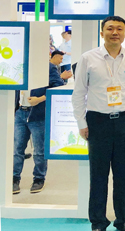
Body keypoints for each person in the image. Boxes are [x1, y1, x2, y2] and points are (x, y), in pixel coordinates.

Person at [72, 16, 125, 231]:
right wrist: (81, 122)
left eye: (119, 29)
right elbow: (78, 93)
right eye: (110, 28)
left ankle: (123, 219)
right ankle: (98, 221)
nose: (115, 32)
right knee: (98, 175)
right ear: (102, 33)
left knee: (123, 174)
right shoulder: (88, 58)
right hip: (98, 121)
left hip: (124, 121)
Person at [12, 50, 71, 195]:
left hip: (38, 114)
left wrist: (40, 99)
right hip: (20, 113)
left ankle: (39, 178)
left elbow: (58, 87)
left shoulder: (48, 68)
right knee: (17, 149)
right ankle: (14, 179)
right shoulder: (19, 67)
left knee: (39, 150)